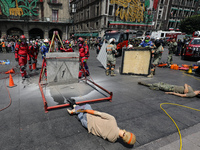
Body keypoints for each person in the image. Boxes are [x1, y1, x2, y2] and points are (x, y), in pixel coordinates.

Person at [67, 103, 136, 145]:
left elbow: (96, 113)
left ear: (128, 132)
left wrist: (83, 110)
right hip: (88, 126)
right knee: (81, 116)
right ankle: (77, 109)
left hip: (89, 117)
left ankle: (76, 109)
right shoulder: (113, 140)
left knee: (87, 106)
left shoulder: (112, 120)